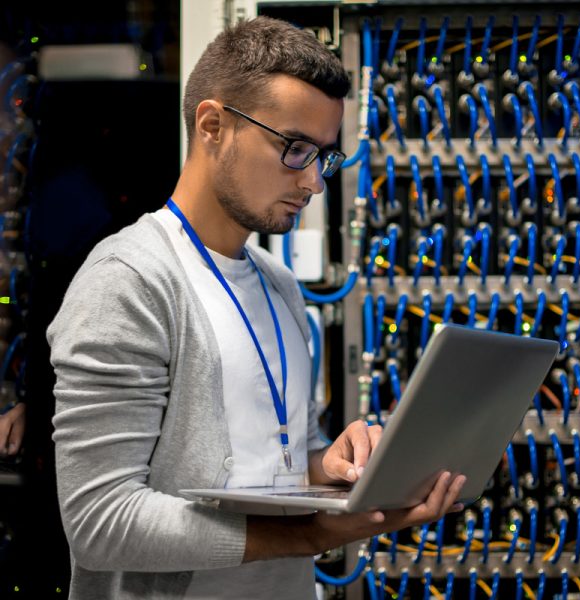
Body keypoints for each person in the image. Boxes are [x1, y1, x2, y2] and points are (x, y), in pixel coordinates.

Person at [48, 16, 466, 600]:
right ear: (213, 125)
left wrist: (330, 465)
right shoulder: (129, 281)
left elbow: (281, 459)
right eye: (295, 149)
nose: (315, 182)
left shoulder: (279, 284)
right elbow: (101, 523)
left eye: (323, 155)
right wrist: (308, 536)